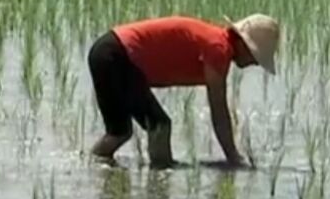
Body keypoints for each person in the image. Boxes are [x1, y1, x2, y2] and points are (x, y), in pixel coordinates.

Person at [88, 14, 280, 168]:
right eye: (255, 57)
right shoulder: (218, 48)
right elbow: (219, 111)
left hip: (104, 51)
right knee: (160, 127)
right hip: (117, 55)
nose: (254, 63)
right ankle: (158, 181)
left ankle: (90, 169)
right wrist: (234, 158)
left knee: (119, 133)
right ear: (243, 44)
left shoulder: (216, 41)